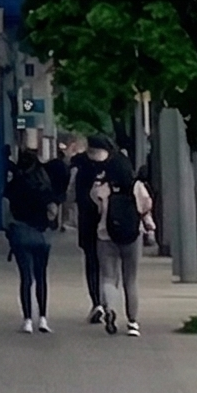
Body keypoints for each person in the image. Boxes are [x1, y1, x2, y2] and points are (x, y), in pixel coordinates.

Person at [91, 153, 154, 336]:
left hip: (106, 235)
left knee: (108, 277)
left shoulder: (103, 188)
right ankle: (133, 322)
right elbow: (146, 207)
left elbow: (96, 204)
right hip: (132, 235)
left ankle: (110, 309)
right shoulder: (138, 187)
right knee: (131, 279)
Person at [5, 147, 58, 333]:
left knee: (26, 278)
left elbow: (7, 206)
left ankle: (27, 320)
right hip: (41, 234)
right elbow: (53, 211)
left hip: (20, 233)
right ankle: (43, 318)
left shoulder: (15, 183)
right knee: (41, 276)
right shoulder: (43, 183)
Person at [68, 134, 113, 323]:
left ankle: (97, 303)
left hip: (87, 220)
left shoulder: (79, 164)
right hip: (111, 222)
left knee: (91, 262)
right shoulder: (114, 164)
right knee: (110, 266)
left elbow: (70, 193)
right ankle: (109, 303)